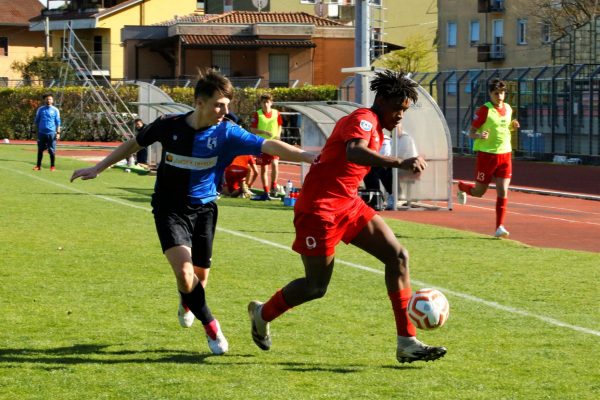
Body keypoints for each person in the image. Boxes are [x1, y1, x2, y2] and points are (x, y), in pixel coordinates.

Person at [70, 69, 315, 356]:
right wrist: (98, 168)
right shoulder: (168, 125)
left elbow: (268, 144)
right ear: (199, 102)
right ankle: (212, 326)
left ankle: (186, 300)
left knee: (200, 277)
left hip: (205, 210)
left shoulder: (226, 132)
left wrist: (305, 156)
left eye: (227, 105)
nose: (225, 111)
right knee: (186, 274)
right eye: (218, 104)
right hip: (169, 208)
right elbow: (135, 143)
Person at [247, 70, 447, 364]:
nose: (400, 116)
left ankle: (407, 341)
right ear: (381, 100)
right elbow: (355, 152)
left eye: (404, 110)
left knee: (398, 257)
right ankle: (262, 313)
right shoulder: (363, 119)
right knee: (316, 287)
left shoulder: (377, 126)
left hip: (348, 205)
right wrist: (399, 162)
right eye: (397, 108)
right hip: (319, 210)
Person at [456, 78, 520, 238]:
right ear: (490, 94)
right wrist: (479, 135)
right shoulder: (485, 110)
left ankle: (499, 227)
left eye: (502, 93)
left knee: (503, 191)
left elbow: (504, 129)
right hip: (487, 156)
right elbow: (471, 132)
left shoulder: (508, 108)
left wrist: (513, 127)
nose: (500, 96)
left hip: (505, 154)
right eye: (496, 93)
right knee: (479, 192)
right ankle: (462, 187)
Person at [250, 93, 283, 200]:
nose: (265, 104)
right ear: (261, 103)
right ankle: (266, 192)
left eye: (267, 102)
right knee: (264, 169)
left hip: (274, 143)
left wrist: (278, 135)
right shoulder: (257, 114)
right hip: (262, 144)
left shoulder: (276, 113)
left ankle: (274, 186)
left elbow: (279, 125)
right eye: (263, 102)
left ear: (271, 103)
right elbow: (252, 130)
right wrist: (263, 131)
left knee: (275, 163)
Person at [33, 93, 61, 171]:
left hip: (51, 133)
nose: (49, 100)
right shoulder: (40, 109)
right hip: (41, 133)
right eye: (47, 99)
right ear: (44, 100)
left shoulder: (55, 110)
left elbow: (58, 122)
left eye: (50, 99)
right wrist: (36, 132)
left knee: (51, 150)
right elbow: (37, 121)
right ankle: (38, 166)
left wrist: (58, 133)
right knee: (40, 150)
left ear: (52, 100)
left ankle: (52, 166)